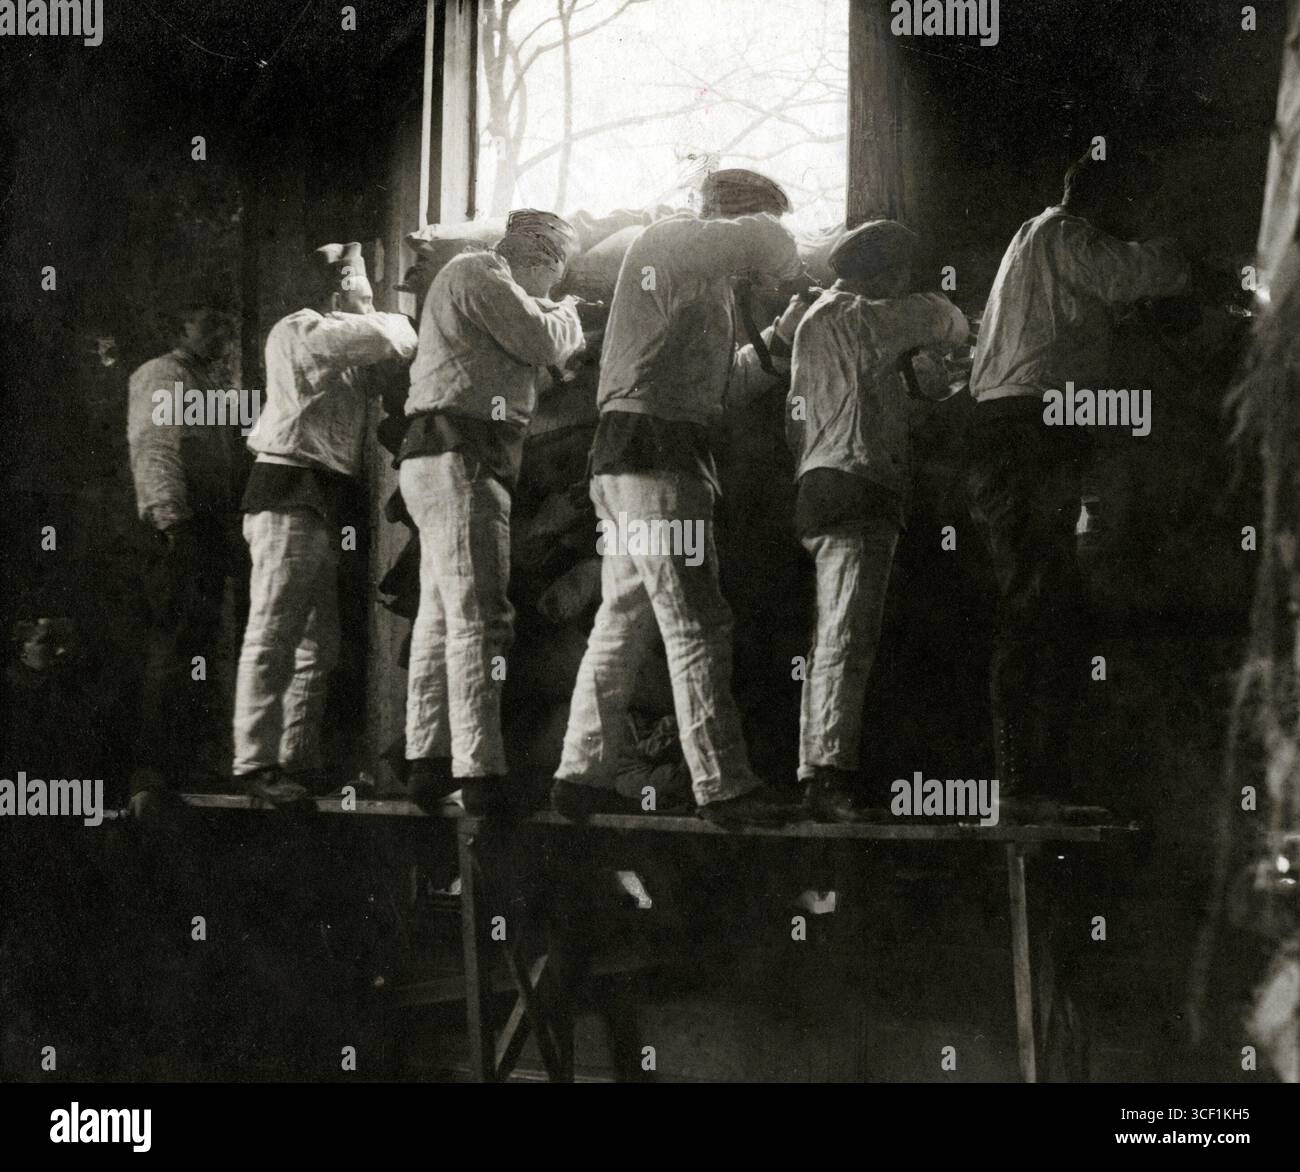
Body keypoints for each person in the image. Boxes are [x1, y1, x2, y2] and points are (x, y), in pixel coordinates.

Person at [552, 168, 811, 828]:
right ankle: (723, 787)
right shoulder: (677, 239)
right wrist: (794, 252)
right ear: (733, 215)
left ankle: (580, 775)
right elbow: (770, 245)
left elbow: (719, 389)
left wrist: (778, 337)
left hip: (633, 456)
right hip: (658, 458)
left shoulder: (696, 277)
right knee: (698, 620)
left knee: (624, 620)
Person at [966, 152, 1189, 811]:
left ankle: (1036, 777)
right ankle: (1023, 782)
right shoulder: (1064, 235)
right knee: (1035, 596)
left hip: (1023, 425)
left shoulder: (1033, 245)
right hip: (1027, 426)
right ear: (1105, 205)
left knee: (1044, 592)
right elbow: (1131, 272)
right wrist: (1180, 256)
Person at [400, 210, 587, 816]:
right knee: (484, 618)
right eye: (554, 275)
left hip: (443, 454)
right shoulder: (481, 270)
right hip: (465, 457)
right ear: (540, 257)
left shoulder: (475, 286)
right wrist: (570, 314)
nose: (552, 290)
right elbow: (540, 340)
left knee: (440, 617)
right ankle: (480, 770)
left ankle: (428, 761)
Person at [789, 221, 969, 821]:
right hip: (857, 485)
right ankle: (827, 777)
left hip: (819, 482)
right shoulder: (863, 318)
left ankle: (820, 767)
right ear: (883, 276)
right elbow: (945, 318)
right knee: (846, 637)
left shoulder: (819, 325)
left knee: (831, 636)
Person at [233, 243, 417, 807]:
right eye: (362, 295)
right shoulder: (301, 331)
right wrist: (390, 323)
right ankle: (254, 764)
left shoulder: (342, 354)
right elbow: (392, 336)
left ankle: (295, 760)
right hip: (288, 487)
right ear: (340, 293)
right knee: (273, 631)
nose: (370, 305)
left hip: (316, 496)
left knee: (318, 643)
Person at [127, 301, 238, 814]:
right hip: (181, 528)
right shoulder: (163, 375)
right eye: (209, 321)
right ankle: (152, 773)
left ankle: (188, 762)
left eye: (225, 324)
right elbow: (156, 448)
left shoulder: (205, 382)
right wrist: (170, 518)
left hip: (210, 530)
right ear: (180, 326)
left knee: (198, 644)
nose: (222, 332)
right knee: (172, 646)